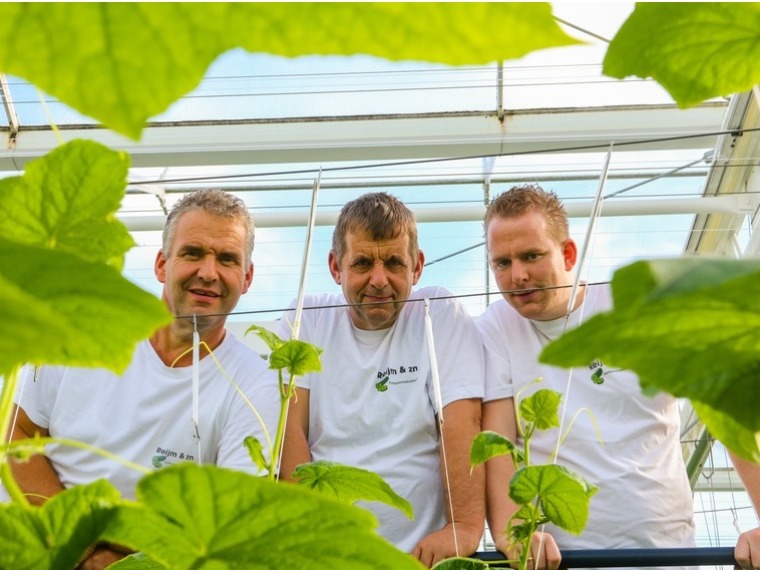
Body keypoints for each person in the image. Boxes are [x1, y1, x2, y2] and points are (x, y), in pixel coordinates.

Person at [478, 184, 760, 570]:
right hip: (562, 559)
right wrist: (514, 536)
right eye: (502, 263)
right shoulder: (494, 329)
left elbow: (728, 408)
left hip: (664, 552)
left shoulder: (636, 311)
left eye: (532, 256)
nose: (518, 276)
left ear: (568, 253)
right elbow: (497, 443)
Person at [6, 189, 279, 569]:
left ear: (246, 277)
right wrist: (73, 541)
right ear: (162, 265)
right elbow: (16, 432)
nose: (208, 272)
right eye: (193, 253)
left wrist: (124, 560)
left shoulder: (255, 384)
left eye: (227, 259)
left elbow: (229, 522)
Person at [277, 192, 485, 568]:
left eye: (393, 262)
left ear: (417, 267)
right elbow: (289, 429)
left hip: (423, 557)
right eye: (362, 263)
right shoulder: (306, 319)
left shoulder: (437, 314)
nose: (379, 280)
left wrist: (463, 526)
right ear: (335, 266)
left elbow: (461, 422)